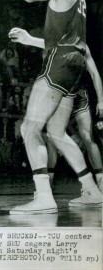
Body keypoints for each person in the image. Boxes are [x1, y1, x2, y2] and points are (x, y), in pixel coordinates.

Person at [0, 0, 102, 213]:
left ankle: (43, 197)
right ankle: (92, 190)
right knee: (56, 132)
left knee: (29, 128)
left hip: (59, 64)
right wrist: (30, 39)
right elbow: (64, 42)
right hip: (74, 68)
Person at [47, 45, 103, 193]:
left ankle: (100, 182)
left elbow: (95, 74)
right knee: (52, 138)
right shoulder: (54, 41)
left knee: (87, 137)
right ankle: (48, 185)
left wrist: (101, 100)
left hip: (78, 94)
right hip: (59, 93)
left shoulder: (82, 46)